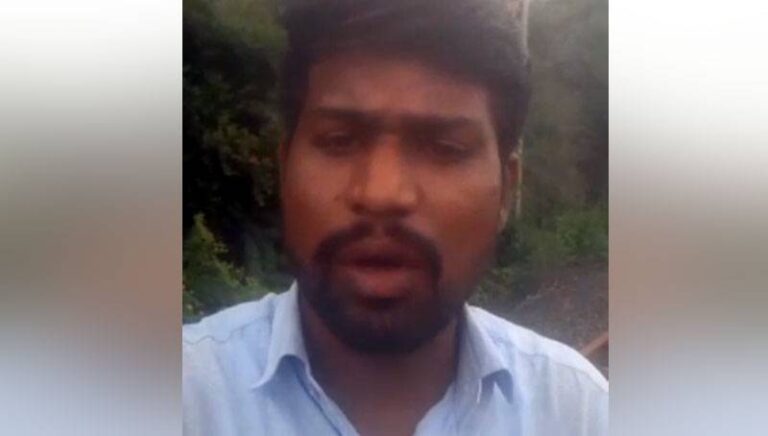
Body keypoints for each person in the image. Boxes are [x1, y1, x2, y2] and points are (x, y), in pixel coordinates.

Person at [183, 0, 608, 435]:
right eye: (338, 140)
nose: (381, 193)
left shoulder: (581, 413)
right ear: (284, 167)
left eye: (445, 148)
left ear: (506, 191)